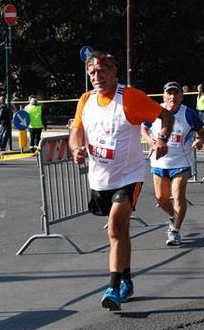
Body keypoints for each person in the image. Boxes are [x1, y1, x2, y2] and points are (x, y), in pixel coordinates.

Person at [69, 51, 174, 311]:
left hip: (129, 176)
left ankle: (113, 289)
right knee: (122, 232)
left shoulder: (130, 97)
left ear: (114, 72)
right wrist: (76, 149)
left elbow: (166, 116)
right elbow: (76, 132)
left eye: (102, 71)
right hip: (100, 178)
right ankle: (127, 279)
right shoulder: (86, 100)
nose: (97, 77)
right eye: (92, 73)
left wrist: (161, 139)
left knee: (115, 228)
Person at [141, 81, 204, 247]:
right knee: (162, 199)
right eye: (169, 93)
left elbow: (203, 132)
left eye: (176, 93)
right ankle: (174, 216)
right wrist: (150, 142)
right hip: (159, 161)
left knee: (178, 195)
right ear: (164, 96)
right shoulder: (156, 110)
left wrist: (200, 141)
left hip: (181, 161)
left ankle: (175, 231)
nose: (172, 97)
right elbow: (143, 128)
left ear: (181, 96)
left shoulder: (188, 113)